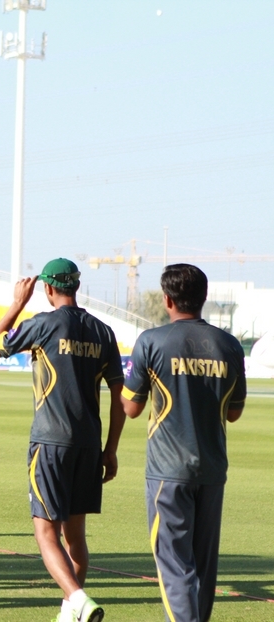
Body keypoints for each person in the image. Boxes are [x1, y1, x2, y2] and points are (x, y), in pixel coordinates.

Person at [0, 258, 125, 622]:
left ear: (47, 289)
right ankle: (69, 614)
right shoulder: (103, 332)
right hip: (88, 445)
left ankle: (78, 599)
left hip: (50, 443)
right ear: (76, 287)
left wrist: (17, 304)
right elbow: (118, 396)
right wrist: (110, 449)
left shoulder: (43, 324)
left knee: (46, 533)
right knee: (75, 536)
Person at [121, 264, 246, 622]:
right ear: (204, 298)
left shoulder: (152, 341)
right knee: (204, 568)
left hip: (168, 471)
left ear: (167, 299)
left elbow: (131, 407)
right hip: (211, 468)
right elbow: (234, 412)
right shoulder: (229, 345)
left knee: (175, 566)